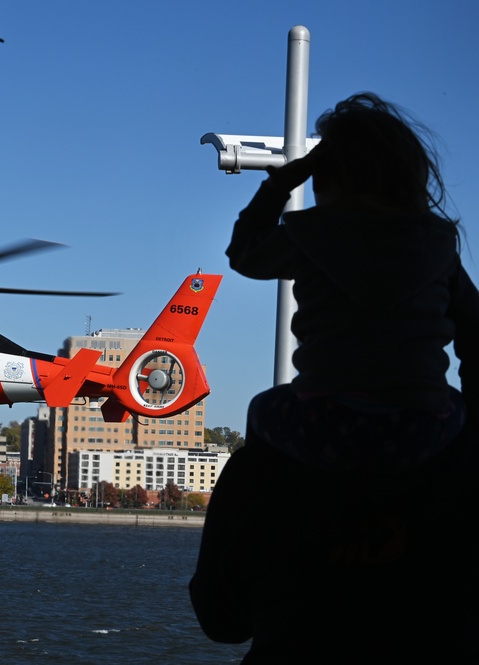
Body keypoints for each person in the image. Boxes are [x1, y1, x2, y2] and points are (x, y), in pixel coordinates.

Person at [190, 93, 479, 662]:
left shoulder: (310, 233)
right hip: (424, 427)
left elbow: (244, 252)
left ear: (325, 176)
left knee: (261, 408)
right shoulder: (437, 244)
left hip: (320, 425)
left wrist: (280, 183)